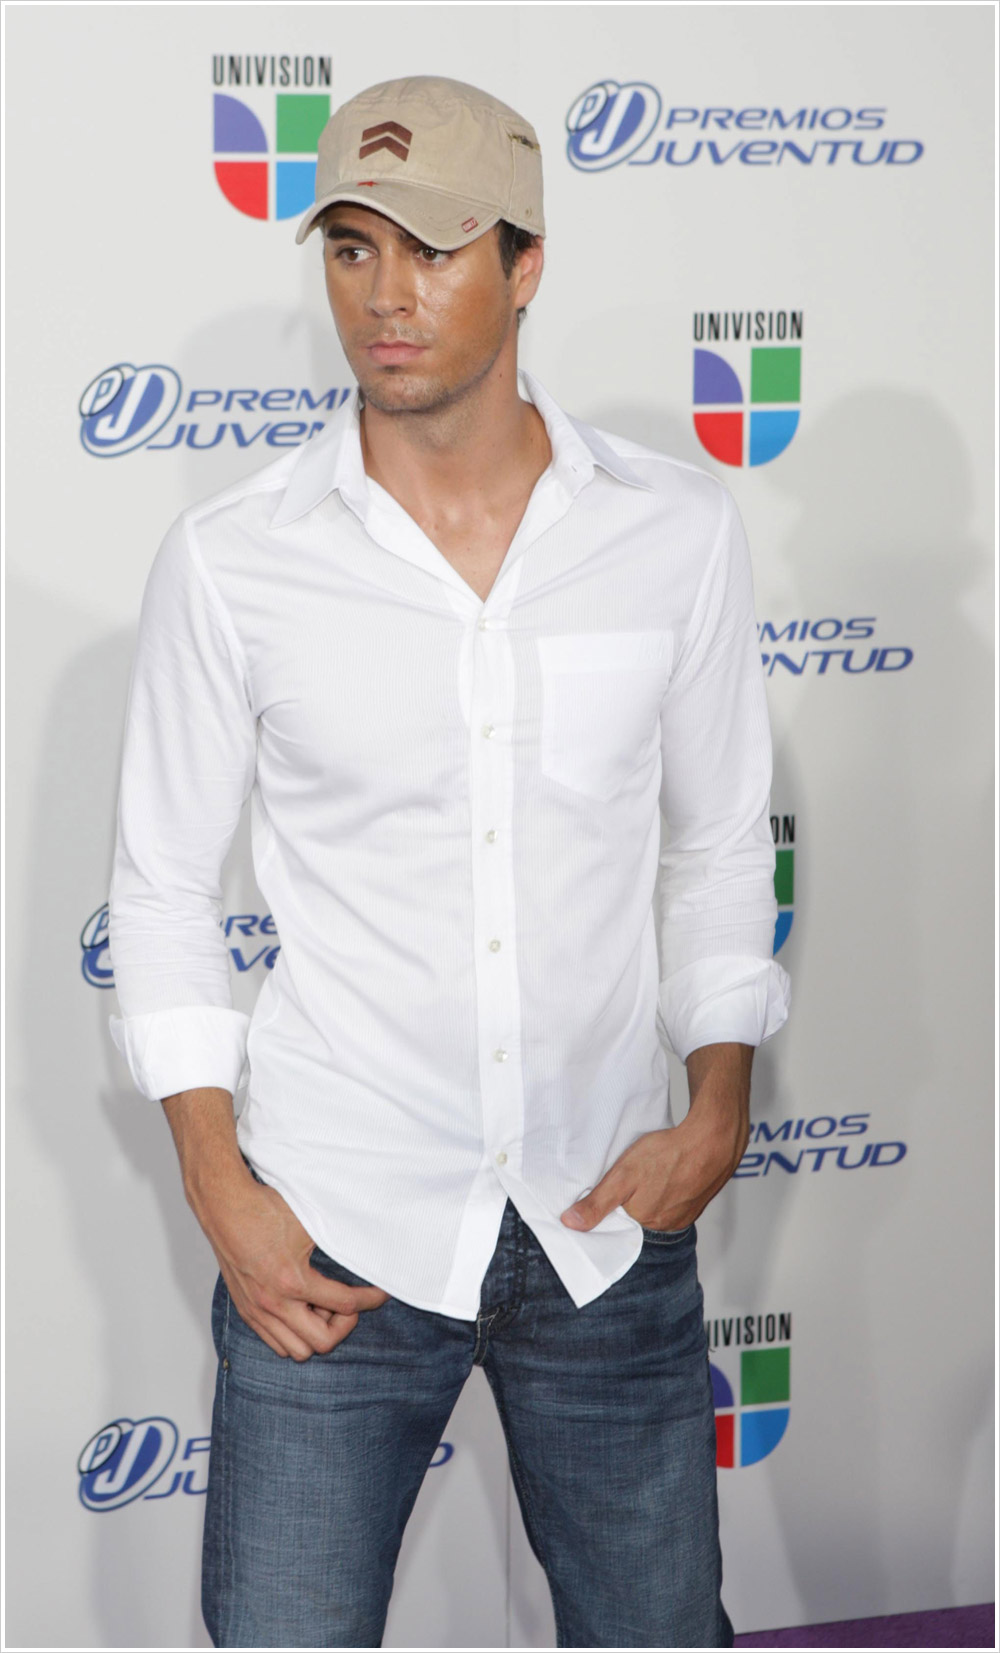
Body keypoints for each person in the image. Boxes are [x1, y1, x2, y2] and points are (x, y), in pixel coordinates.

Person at [107, 74, 790, 1650]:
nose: (384, 294)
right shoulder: (232, 561)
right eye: (352, 248)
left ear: (526, 263)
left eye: (431, 248)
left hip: (606, 1223)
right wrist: (219, 1183)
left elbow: (714, 842)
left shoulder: (675, 531)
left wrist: (719, 1100)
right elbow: (159, 888)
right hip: (332, 1235)